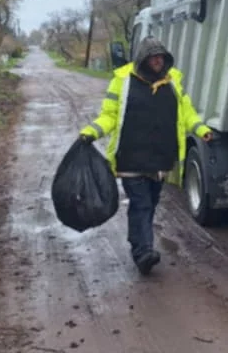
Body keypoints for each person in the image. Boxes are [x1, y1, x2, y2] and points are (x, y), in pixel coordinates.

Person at [78, 36, 212, 275]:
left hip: (160, 159)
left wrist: (201, 130)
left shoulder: (173, 81)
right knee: (141, 204)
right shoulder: (122, 82)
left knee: (149, 204)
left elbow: (187, 113)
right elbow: (109, 115)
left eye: (161, 57)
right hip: (132, 158)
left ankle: (137, 240)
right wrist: (90, 132)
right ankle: (143, 253)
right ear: (143, 59)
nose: (158, 61)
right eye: (154, 58)